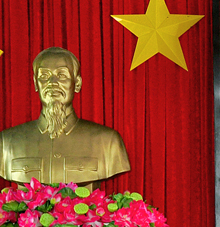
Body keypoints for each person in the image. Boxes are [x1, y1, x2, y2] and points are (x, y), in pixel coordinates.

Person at [0, 47, 130, 188]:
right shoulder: (7, 142)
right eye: (44, 76)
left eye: (61, 75)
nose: (52, 82)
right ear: (36, 84)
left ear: (77, 84)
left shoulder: (107, 141)